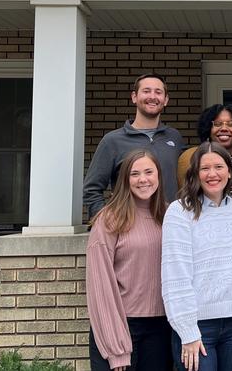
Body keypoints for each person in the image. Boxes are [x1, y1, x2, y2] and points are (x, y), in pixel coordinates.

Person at [161, 141, 232, 371]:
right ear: (195, 173)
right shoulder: (179, 211)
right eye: (205, 168)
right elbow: (175, 276)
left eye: (219, 167)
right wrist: (187, 331)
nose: (212, 174)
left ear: (229, 172)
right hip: (198, 325)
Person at [86, 149, 173, 371]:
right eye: (135, 174)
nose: (143, 179)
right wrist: (117, 350)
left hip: (161, 327)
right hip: (121, 326)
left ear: (159, 176)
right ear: (125, 180)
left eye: (148, 172)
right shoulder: (108, 220)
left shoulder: (170, 216)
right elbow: (100, 287)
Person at [83, 73, 184, 217]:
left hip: (169, 226)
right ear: (134, 97)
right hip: (130, 230)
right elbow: (91, 189)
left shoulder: (174, 137)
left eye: (158, 92)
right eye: (146, 91)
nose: (152, 96)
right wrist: (106, 222)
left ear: (165, 100)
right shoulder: (112, 141)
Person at [178, 104, 232, 210]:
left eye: (231, 124)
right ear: (208, 128)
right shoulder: (189, 157)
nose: (224, 128)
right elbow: (184, 197)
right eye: (217, 124)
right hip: (200, 223)